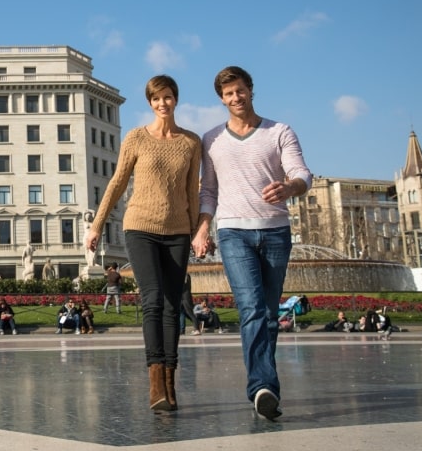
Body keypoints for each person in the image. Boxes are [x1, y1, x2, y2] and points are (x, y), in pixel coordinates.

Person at [192, 65, 312, 421]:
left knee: (271, 313)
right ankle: (263, 387)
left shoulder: (279, 131)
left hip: (275, 231)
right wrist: (202, 229)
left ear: (251, 90)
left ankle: (263, 385)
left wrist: (290, 187)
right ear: (221, 99)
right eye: (228, 93)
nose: (235, 97)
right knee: (252, 309)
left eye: (240, 90)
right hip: (232, 232)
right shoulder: (211, 139)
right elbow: (208, 190)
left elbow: (302, 172)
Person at [84, 74, 202, 412]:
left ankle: (170, 380)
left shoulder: (191, 143)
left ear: (175, 99)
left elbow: (191, 192)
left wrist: (196, 232)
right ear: (150, 103)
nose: (162, 104)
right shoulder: (136, 138)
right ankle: (155, 385)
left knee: (171, 305)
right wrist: (96, 225)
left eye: (167, 97)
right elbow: (116, 183)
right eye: (155, 99)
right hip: (140, 227)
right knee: (152, 301)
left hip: (178, 231)